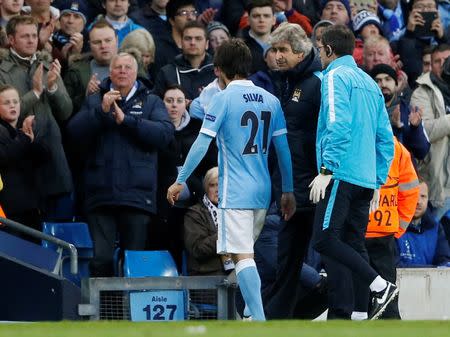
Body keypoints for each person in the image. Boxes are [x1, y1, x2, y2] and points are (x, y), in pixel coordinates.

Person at [167, 38, 296, 321]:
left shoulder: (222, 99)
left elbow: (202, 143)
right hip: (263, 191)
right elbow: (284, 151)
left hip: (236, 189)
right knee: (245, 255)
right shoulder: (271, 100)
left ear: (218, 69)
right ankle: (249, 311)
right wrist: (287, 190)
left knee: (242, 257)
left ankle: (259, 322)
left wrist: (181, 179)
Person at [311, 24, 395, 320]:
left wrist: (326, 169)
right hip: (364, 179)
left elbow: (338, 124)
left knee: (324, 239)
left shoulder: (335, 76)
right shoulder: (370, 83)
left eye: (320, 50)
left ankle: (380, 286)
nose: (319, 55)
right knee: (352, 244)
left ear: (330, 50)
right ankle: (359, 315)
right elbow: (386, 138)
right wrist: (376, 181)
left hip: (341, 174)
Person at [67, 52, 174, 277]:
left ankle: (129, 311)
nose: (123, 71)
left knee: (133, 262)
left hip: (138, 195)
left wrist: (127, 121)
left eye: (128, 67)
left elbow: (164, 135)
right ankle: (103, 311)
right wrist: (101, 112)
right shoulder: (97, 99)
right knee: (101, 259)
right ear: (111, 72)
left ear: (136, 73)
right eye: (118, 67)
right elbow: (73, 134)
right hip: (101, 194)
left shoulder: (151, 100)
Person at [261, 22, 322, 319]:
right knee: (287, 257)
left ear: (300, 52)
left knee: (328, 254)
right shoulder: (287, 82)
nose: (277, 56)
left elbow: (326, 135)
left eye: (283, 50)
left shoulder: (318, 83)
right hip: (291, 189)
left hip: (314, 187)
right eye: (274, 50)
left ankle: (346, 308)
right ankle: (278, 318)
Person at [0, 15, 73, 219]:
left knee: (58, 233)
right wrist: (35, 93)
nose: (32, 40)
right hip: (18, 166)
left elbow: (66, 111)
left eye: (34, 35)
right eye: (25, 36)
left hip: (52, 157)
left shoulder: (48, 65)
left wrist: (52, 87)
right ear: (11, 40)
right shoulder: (2, 71)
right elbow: (5, 112)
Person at [352, 137, 420, 320]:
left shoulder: (355, 139)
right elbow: (412, 190)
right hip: (384, 234)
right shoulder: (396, 147)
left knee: (356, 304)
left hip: (358, 235)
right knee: (386, 304)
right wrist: (398, 227)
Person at [0, 84, 50, 242]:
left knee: (35, 260)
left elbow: (45, 157)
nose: (12, 105)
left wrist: (32, 141)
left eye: (15, 101)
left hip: (31, 207)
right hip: (9, 210)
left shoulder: (24, 130)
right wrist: (24, 139)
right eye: (6, 102)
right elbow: (4, 156)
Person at [410, 44, 450, 221]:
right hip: (437, 185)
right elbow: (426, 132)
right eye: (437, 61)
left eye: (446, 60)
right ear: (430, 65)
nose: (442, 64)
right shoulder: (421, 92)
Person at [371, 63, 430, 160]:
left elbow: (422, 152)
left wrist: (415, 128)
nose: (383, 84)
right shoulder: (366, 111)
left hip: (403, 172)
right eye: (378, 81)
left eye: (388, 79)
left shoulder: (408, 111)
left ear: (396, 84)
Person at [183, 167, 234, 276]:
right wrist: (224, 235)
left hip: (235, 274)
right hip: (206, 277)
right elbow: (197, 249)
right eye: (212, 185)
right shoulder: (194, 214)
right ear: (206, 188)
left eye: (220, 185)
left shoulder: (235, 212)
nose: (217, 189)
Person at [64, 19, 119, 114]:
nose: (103, 46)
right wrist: (86, 96)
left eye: (108, 40)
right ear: (89, 45)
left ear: (117, 40)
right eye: (97, 42)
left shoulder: (134, 66)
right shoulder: (76, 71)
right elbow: (66, 112)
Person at [153, 20, 215, 100]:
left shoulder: (218, 72)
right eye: (188, 38)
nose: (192, 42)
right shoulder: (167, 73)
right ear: (181, 42)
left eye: (198, 39)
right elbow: (156, 104)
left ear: (207, 44)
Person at [396, 180, 450, 267]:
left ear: (428, 199)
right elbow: (393, 265)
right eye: (414, 196)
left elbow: (444, 260)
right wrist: (433, 269)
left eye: (423, 196)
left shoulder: (436, 228)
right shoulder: (392, 227)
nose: (418, 202)